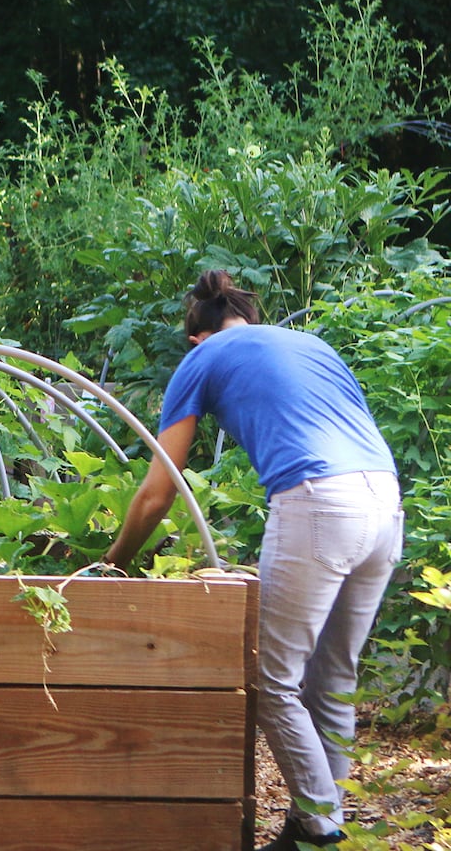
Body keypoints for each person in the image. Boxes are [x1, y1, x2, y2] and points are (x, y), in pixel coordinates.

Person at [101, 270, 402, 851]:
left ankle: (320, 829)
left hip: (316, 500)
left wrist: (113, 564)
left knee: (270, 680)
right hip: (385, 501)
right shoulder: (313, 346)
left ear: (197, 336)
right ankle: (315, 819)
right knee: (334, 675)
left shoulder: (203, 358)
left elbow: (160, 492)